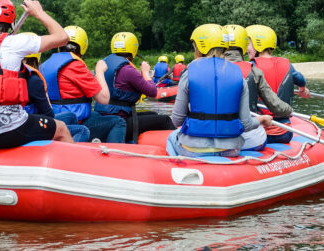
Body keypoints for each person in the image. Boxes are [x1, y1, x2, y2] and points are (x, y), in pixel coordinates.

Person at [0, 0, 73, 150]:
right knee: (62, 128)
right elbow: (62, 38)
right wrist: (39, 13)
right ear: (12, 22)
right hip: (12, 130)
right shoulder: (15, 42)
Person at [168, 24, 273, 158]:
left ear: (200, 48)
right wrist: (262, 119)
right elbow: (246, 124)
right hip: (230, 149)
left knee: (171, 137)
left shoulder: (188, 73)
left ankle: (176, 169)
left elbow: (177, 120)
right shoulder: (238, 75)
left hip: (194, 149)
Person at [40, 25, 126, 143]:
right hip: (74, 122)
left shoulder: (45, 63)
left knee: (96, 114)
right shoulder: (75, 65)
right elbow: (104, 99)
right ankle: (114, 157)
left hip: (55, 119)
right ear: (83, 46)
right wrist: (99, 71)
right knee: (118, 122)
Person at [93, 32, 175, 143]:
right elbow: (152, 92)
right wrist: (145, 73)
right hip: (120, 121)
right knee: (165, 120)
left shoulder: (104, 63)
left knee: (153, 114)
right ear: (133, 48)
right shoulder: (128, 69)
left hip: (104, 117)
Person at [221, 25, 295, 144]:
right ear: (243, 46)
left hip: (214, 135)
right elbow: (276, 106)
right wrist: (289, 110)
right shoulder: (253, 70)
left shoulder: (204, 70)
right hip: (247, 136)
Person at [19, 33, 91, 143]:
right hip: (32, 124)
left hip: (22, 120)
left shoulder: (10, 72)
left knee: (71, 116)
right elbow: (48, 115)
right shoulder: (33, 79)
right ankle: (65, 155)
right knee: (83, 131)